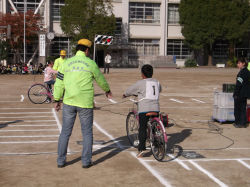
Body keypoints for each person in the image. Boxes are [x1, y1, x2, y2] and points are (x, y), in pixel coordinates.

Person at [53, 38, 112, 168]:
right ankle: (86, 161)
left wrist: (57, 100)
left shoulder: (66, 63)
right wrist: (107, 90)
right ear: (86, 50)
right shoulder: (90, 63)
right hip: (85, 103)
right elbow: (100, 79)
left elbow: (59, 83)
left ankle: (60, 161)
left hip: (69, 102)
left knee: (65, 132)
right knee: (87, 133)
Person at [123, 64, 162, 157]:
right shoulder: (157, 82)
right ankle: (158, 146)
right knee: (154, 128)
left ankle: (141, 149)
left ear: (142, 74)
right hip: (156, 109)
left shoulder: (141, 83)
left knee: (142, 129)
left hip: (144, 109)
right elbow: (159, 90)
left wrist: (125, 94)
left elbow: (129, 90)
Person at [233, 58, 250, 128]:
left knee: (239, 108)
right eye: (237, 63)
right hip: (245, 93)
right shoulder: (247, 71)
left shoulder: (242, 72)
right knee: (243, 108)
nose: (238, 64)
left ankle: (239, 123)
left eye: (239, 63)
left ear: (243, 63)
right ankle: (242, 123)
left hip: (241, 93)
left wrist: (235, 93)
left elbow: (239, 84)